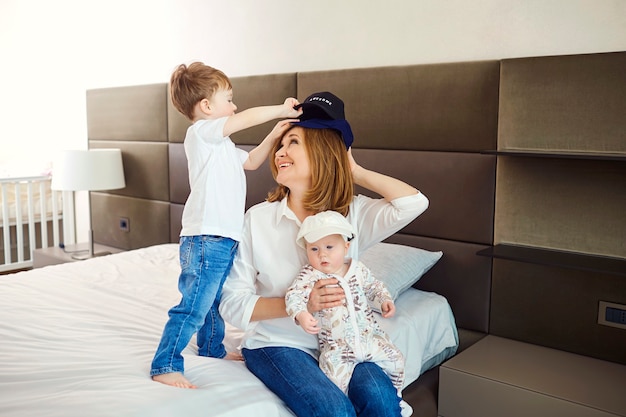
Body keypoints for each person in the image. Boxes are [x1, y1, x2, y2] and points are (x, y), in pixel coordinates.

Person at [219, 91, 429, 417]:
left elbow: (414, 203)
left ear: (322, 152)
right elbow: (232, 302)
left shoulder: (353, 215)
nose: (280, 152)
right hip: (277, 344)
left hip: (346, 345)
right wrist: (301, 305)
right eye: (281, 143)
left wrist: (354, 171)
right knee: (334, 411)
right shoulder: (257, 219)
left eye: (294, 143)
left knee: (382, 404)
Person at [150, 62, 302, 389]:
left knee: (214, 299)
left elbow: (250, 162)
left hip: (222, 238)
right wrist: (279, 110)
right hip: (207, 236)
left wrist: (275, 134)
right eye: (229, 99)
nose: (234, 107)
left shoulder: (222, 147)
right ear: (206, 106)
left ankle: (211, 349)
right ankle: (165, 363)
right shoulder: (202, 133)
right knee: (194, 305)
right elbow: (240, 120)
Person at [285, 210, 406, 401]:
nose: (322, 254)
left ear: (346, 247)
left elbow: (374, 286)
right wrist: (301, 313)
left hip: (370, 339)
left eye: (329, 247)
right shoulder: (310, 274)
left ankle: (397, 397)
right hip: (337, 348)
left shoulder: (357, 269)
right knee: (333, 389)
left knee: (396, 360)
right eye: (314, 249)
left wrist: (384, 300)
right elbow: (294, 295)